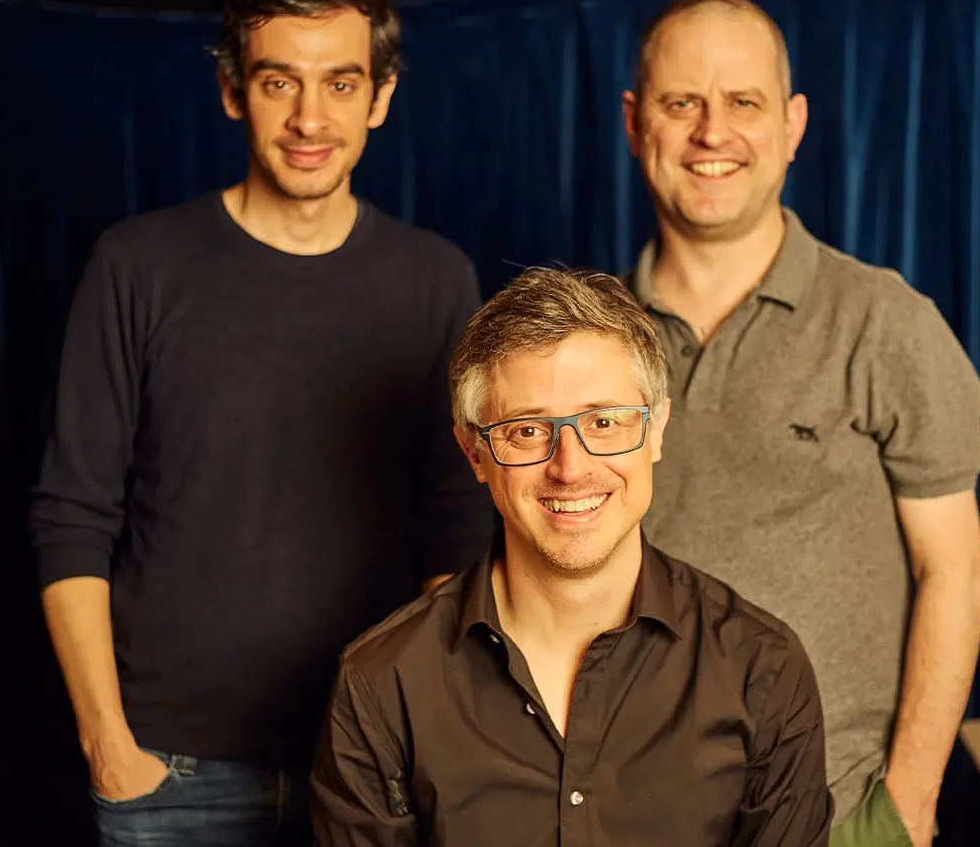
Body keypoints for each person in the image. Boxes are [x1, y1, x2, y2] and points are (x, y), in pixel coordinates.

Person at [28, 0, 493, 847]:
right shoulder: (137, 266)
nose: (310, 117)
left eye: (341, 84)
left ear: (382, 97)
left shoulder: (435, 280)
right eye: (280, 82)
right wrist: (109, 746)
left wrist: (425, 736)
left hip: (369, 763)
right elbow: (70, 516)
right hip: (169, 772)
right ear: (234, 89)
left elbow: (458, 531)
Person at [619, 0, 980, 847]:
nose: (714, 132)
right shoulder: (593, 340)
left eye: (743, 102)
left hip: (836, 814)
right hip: (627, 812)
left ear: (793, 125)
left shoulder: (884, 321)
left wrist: (904, 808)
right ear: (639, 123)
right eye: (683, 103)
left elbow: (956, 574)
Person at [309, 266, 834, 847]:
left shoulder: (763, 668)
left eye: (604, 422)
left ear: (656, 430)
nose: (571, 467)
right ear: (474, 454)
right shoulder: (382, 683)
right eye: (528, 431)